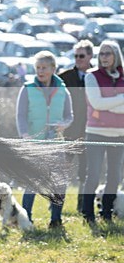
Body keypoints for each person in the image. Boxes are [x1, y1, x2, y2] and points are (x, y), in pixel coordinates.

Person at [16, 50, 73, 229]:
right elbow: (20, 116)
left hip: (56, 143)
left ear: (53, 68)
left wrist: (64, 124)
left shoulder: (63, 89)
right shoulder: (27, 88)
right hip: (34, 143)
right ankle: (26, 220)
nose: (40, 71)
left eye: (44, 68)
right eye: (38, 68)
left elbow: (69, 115)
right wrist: (25, 135)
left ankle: (56, 219)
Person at [80, 40, 124, 225]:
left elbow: (104, 104)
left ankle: (107, 210)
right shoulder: (92, 77)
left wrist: (110, 105)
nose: (104, 57)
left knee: (114, 175)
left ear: (116, 55)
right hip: (96, 132)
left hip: (119, 133)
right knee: (94, 174)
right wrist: (121, 99)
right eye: (102, 54)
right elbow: (97, 103)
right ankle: (87, 213)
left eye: (108, 53)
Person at [58, 40, 93, 211]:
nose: (78, 59)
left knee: (86, 173)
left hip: (90, 131)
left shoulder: (97, 76)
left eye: (81, 56)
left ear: (90, 56)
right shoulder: (65, 77)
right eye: (76, 56)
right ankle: (55, 207)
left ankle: (83, 206)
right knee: (62, 171)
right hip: (69, 132)